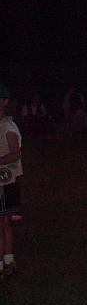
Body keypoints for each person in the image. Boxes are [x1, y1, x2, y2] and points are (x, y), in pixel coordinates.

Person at [0, 84, 22, 280]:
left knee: (4, 221)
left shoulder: (8, 126)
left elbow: (15, 154)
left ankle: (8, 260)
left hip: (6, 181)